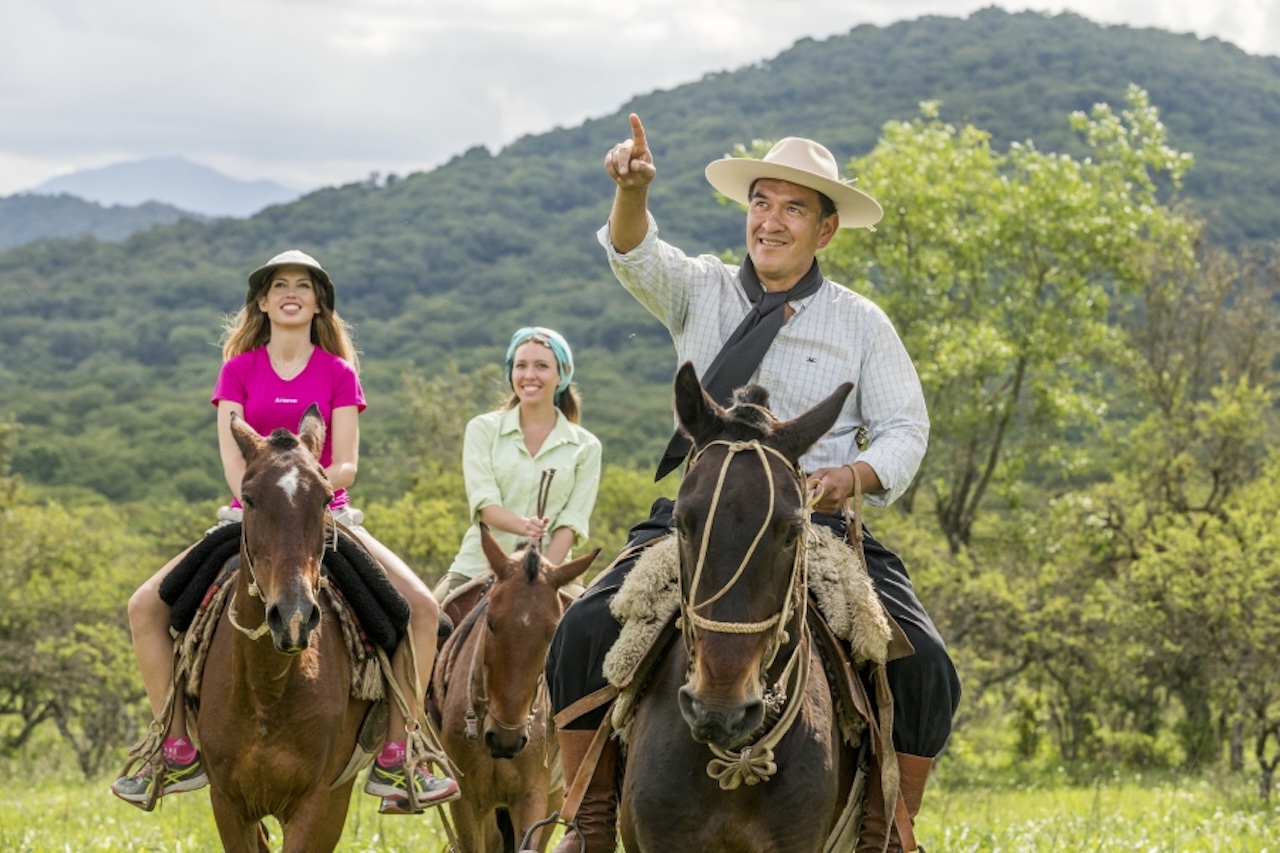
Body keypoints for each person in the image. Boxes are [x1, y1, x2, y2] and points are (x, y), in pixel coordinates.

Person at [543, 115, 962, 853]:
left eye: (794, 208)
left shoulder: (861, 323)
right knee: (581, 627)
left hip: (814, 525)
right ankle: (591, 819)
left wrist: (848, 475)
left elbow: (906, 429)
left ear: (826, 231)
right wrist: (631, 191)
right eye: (761, 202)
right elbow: (635, 253)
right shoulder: (701, 288)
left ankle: (890, 828)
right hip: (698, 521)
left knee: (925, 661)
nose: (770, 221)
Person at [111, 249, 458, 815]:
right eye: (279, 286)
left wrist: (309, 478)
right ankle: (170, 745)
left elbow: (345, 463)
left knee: (421, 608)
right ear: (264, 302)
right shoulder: (238, 370)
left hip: (326, 513)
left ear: (319, 302)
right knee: (144, 606)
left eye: (303, 285)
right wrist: (263, 489)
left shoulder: (338, 372)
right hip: (251, 513)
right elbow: (232, 460)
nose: (291, 293)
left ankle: (404, 751)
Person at [435, 326, 602, 602]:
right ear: (511, 373)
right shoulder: (482, 429)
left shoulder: (587, 446)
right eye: (521, 365)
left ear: (562, 375)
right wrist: (525, 527)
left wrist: (542, 577)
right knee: (426, 618)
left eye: (541, 366)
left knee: (600, 634)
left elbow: (571, 524)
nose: (529, 375)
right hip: (476, 568)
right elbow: (485, 506)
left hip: (552, 574)